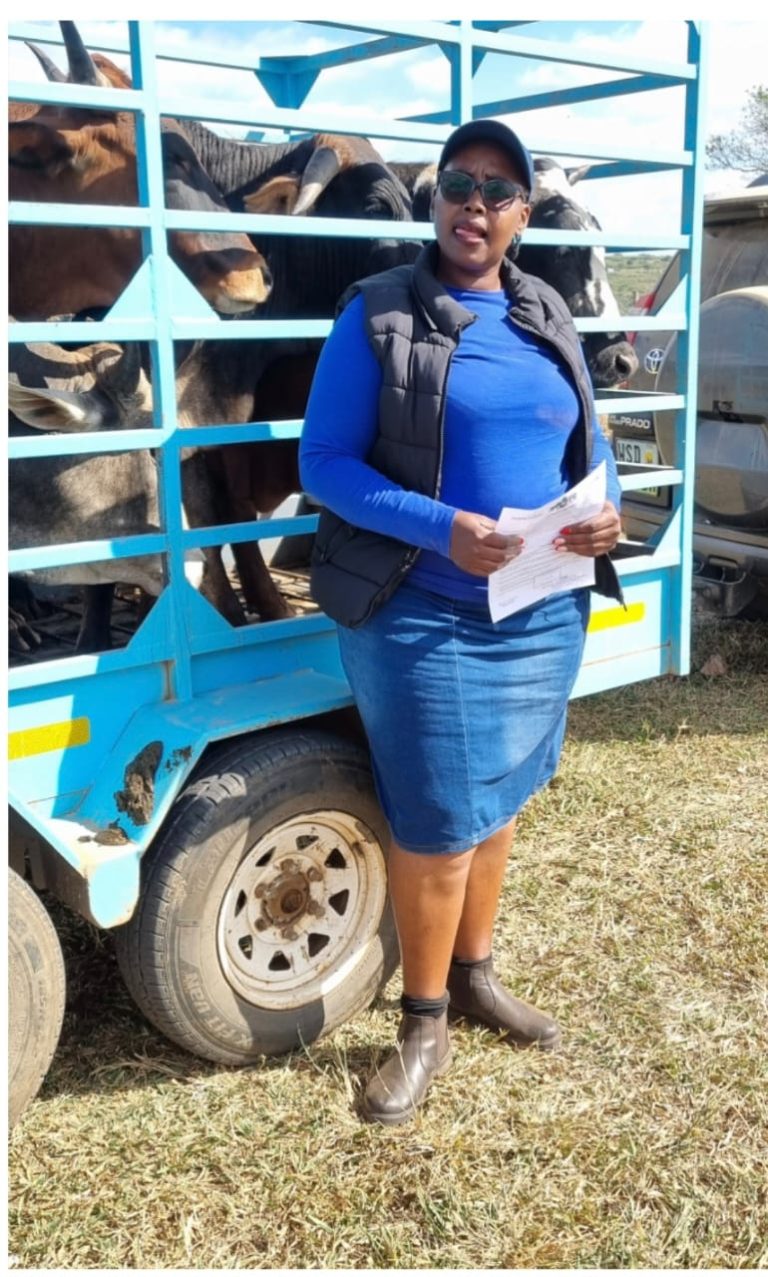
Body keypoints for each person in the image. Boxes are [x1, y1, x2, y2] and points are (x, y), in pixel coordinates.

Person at [299, 118, 623, 1126]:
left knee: (499, 800)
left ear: (524, 213)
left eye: (497, 189)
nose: (473, 204)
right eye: (457, 184)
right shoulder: (380, 313)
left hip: (539, 607)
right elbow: (324, 464)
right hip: (422, 610)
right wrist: (444, 529)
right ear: (433, 199)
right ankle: (425, 1019)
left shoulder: (544, 308)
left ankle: (476, 976)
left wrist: (606, 506)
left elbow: (591, 440)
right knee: (439, 824)